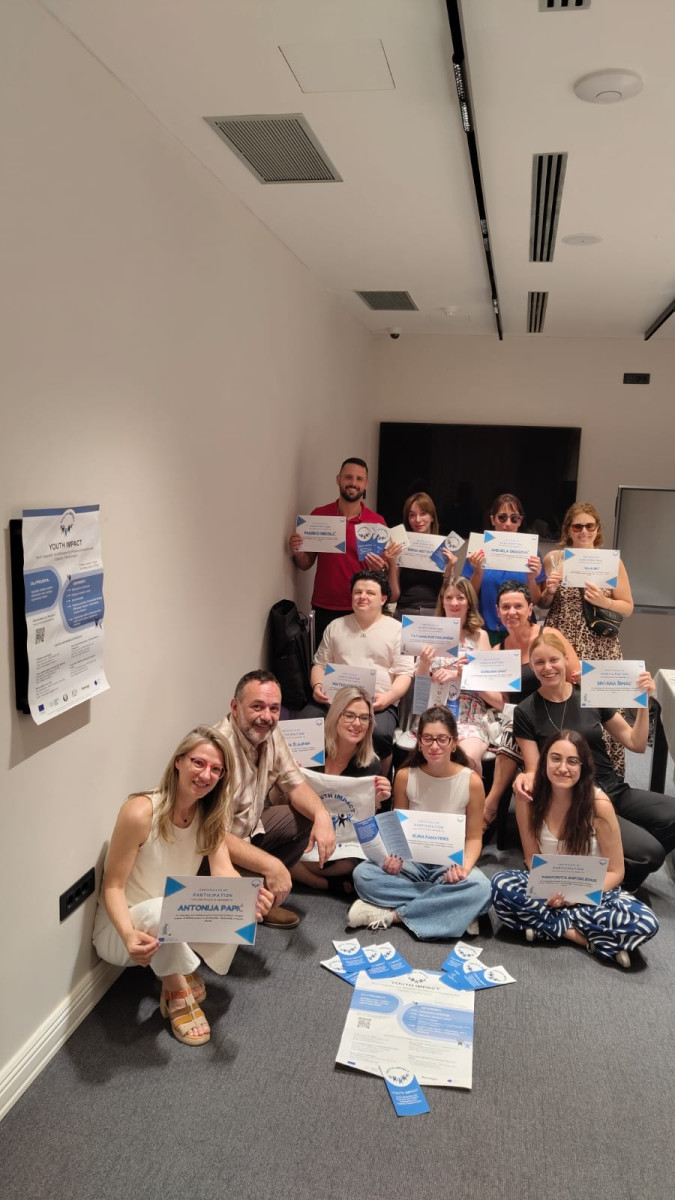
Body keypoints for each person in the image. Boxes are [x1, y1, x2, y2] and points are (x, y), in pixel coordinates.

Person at [93, 726, 274, 1046]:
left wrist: (250, 896)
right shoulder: (140, 811)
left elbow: (224, 873)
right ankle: (177, 990)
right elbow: (112, 887)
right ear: (178, 761)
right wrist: (126, 933)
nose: (206, 775)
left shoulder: (210, 816)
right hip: (122, 931)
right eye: (199, 763)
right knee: (161, 910)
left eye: (216, 769)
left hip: (171, 917)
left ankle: (173, 966)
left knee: (237, 899)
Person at [513, 632, 675, 890]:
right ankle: (602, 877)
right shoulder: (525, 711)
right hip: (574, 797)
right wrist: (523, 777)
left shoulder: (590, 695)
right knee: (650, 854)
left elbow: (636, 743)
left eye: (553, 660)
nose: (547, 668)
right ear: (532, 666)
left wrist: (643, 705)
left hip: (612, 788)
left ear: (566, 660)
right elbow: (534, 769)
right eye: (539, 662)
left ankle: (607, 866)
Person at [491, 731, 658, 966]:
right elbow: (530, 858)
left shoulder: (598, 804)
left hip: (591, 891)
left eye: (572, 761)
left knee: (645, 921)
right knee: (501, 885)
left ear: (583, 767)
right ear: (544, 761)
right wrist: (551, 892)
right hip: (547, 887)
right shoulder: (527, 797)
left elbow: (616, 872)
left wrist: (574, 898)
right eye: (555, 758)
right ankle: (586, 939)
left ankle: (544, 926)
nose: (562, 768)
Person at [347, 707, 492, 937]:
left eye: (442, 739)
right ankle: (453, 906)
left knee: (482, 888)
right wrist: (393, 858)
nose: (434, 746)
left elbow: (474, 837)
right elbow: (398, 830)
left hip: (449, 864)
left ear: (453, 742)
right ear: (419, 741)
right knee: (362, 875)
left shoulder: (471, 781)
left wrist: (464, 868)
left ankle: (393, 915)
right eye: (428, 738)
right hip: (412, 862)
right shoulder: (405, 776)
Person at [216, 670, 336, 929]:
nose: (266, 717)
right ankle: (249, 898)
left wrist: (322, 815)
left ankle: (260, 896)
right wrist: (272, 865)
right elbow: (215, 836)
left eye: (274, 708)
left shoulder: (270, 732)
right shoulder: (218, 750)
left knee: (308, 817)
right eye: (257, 707)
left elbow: (295, 784)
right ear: (235, 707)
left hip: (249, 832)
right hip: (212, 853)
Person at [539, 501, 634, 776]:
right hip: (562, 642)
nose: (583, 531)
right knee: (563, 708)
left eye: (589, 526)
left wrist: (606, 601)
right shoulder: (554, 559)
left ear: (597, 529)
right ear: (569, 529)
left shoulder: (612, 563)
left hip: (599, 645)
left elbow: (627, 606)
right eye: (577, 526)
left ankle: (608, 779)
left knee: (604, 711)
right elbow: (544, 603)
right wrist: (549, 590)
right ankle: (558, 775)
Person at [482, 582, 579, 830]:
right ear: (497, 610)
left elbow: (576, 674)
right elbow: (503, 702)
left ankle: (490, 805)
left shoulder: (550, 635)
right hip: (521, 720)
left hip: (559, 710)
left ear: (529, 608)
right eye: (506, 607)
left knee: (515, 726)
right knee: (516, 721)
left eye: (518, 606)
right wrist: (476, 687)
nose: (511, 612)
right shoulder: (498, 650)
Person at [308, 570, 415, 769]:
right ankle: (315, 781)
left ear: (383, 598)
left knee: (379, 733)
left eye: (370, 593)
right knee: (309, 720)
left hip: (378, 703)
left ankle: (380, 792)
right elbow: (319, 665)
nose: (362, 597)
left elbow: (405, 674)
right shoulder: (336, 626)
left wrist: (389, 698)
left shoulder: (398, 629)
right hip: (334, 700)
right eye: (357, 592)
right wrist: (317, 686)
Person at [289, 686, 391, 894]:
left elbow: (363, 822)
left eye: (364, 718)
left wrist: (378, 800)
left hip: (342, 843)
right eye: (349, 715)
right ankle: (324, 884)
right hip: (307, 832)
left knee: (355, 862)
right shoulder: (310, 750)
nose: (357, 723)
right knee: (279, 851)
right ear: (336, 716)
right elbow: (281, 800)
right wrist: (289, 774)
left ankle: (309, 875)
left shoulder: (371, 764)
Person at [288, 457, 388, 644]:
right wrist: (298, 551)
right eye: (348, 477)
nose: (353, 483)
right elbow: (306, 564)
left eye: (359, 479)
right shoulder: (319, 515)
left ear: (366, 485)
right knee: (321, 666)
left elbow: (384, 574)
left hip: (361, 608)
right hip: (323, 606)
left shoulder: (377, 522)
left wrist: (380, 569)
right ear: (338, 479)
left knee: (356, 669)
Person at [416, 575, 503, 772]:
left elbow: (487, 682)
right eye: (449, 597)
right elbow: (420, 685)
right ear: (442, 601)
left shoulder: (480, 636)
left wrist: (458, 675)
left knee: (467, 759)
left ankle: (470, 802)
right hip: (434, 709)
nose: (454, 603)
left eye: (461, 597)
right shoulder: (429, 633)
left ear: (469, 602)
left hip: (470, 713)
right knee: (433, 756)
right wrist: (423, 664)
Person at [461, 493, 545, 642]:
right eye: (502, 517)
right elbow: (468, 596)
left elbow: (536, 600)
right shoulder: (477, 550)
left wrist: (531, 579)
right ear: (492, 519)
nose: (508, 524)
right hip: (485, 630)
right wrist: (478, 573)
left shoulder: (531, 551)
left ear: (520, 522)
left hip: (522, 630)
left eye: (514, 518)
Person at [386, 491, 457, 617]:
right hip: (405, 611)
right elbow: (393, 597)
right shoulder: (401, 547)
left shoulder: (443, 548)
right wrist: (392, 563)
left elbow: (449, 596)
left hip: (434, 612)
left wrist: (449, 570)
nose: (418, 520)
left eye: (423, 513)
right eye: (412, 515)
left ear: (432, 517)